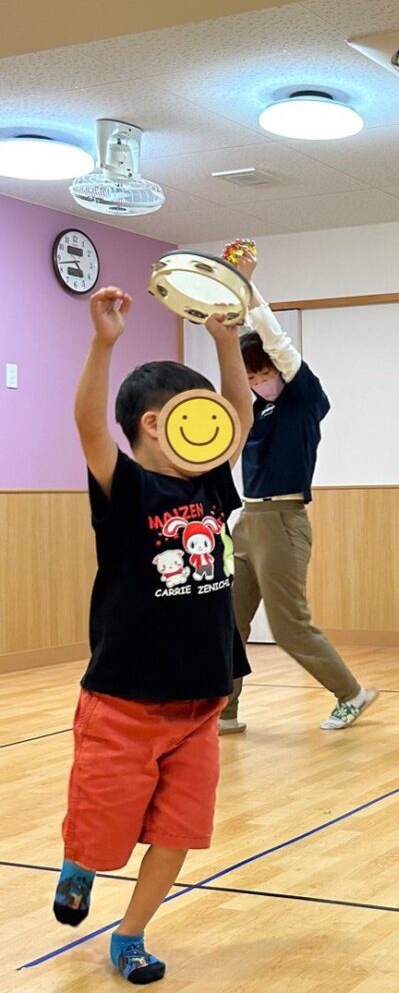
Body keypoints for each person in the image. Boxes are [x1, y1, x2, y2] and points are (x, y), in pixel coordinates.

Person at [54, 287, 253, 984]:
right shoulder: (129, 488)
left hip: (201, 704)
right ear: (154, 424)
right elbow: (89, 429)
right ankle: (81, 862)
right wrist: (103, 342)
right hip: (124, 704)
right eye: (201, 415)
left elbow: (242, 415)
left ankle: (131, 935)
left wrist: (226, 341)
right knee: (103, 833)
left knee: (178, 833)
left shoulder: (212, 487)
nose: (219, 428)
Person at [218, 249, 378, 734]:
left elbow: (277, 341)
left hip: (284, 523)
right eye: (251, 378)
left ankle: (351, 693)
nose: (258, 383)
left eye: (263, 374)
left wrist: (247, 289)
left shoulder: (304, 400)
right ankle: (224, 712)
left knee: (289, 626)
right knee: (228, 622)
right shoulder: (256, 411)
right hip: (247, 521)